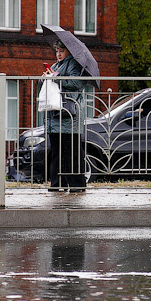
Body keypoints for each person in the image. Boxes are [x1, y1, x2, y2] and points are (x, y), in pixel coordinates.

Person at [41, 40, 86, 193]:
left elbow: (76, 83)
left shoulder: (73, 64)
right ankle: (57, 183)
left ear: (69, 52)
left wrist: (56, 78)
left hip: (69, 113)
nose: (58, 54)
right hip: (55, 113)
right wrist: (45, 77)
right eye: (57, 51)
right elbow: (48, 83)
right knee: (56, 152)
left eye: (61, 51)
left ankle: (76, 184)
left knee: (71, 151)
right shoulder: (55, 66)